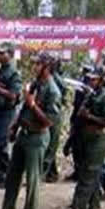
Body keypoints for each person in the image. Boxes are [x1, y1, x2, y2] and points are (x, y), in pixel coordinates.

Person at [0, 51, 61, 209]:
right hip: (23, 135)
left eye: (38, 64)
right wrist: (14, 126)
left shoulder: (52, 91)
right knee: (12, 176)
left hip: (37, 137)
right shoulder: (35, 84)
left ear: (46, 68)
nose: (35, 67)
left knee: (32, 179)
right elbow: (24, 107)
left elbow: (49, 121)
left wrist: (33, 106)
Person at [65, 65, 105, 209]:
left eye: (94, 79)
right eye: (90, 79)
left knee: (87, 176)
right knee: (90, 175)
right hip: (86, 138)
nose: (91, 81)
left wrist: (90, 116)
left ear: (101, 80)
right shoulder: (91, 95)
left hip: (98, 139)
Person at [0, 42, 22, 189]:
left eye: (2, 53)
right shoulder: (0, 71)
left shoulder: (13, 73)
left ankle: (4, 174)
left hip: (7, 112)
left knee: (1, 144)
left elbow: (14, 95)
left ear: (10, 55)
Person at [43, 54, 65, 183]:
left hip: (53, 114)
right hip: (50, 113)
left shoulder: (55, 80)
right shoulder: (48, 79)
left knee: (50, 146)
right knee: (50, 146)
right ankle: (52, 174)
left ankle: (43, 173)